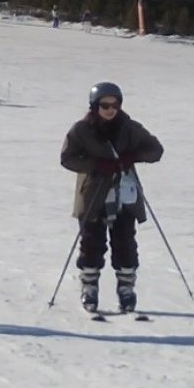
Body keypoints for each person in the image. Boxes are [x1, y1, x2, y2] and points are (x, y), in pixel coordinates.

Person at [59, 82, 164, 314]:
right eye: (105, 104)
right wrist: (96, 164)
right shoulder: (82, 130)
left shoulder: (129, 127)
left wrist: (132, 157)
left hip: (125, 194)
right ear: (95, 106)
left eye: (115, 104)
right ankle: (90, 288)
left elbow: (156, 150)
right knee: (91, 244)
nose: (110, 109)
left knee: (125, 243)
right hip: (93, 194)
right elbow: (67, 158)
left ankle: (126, 290)